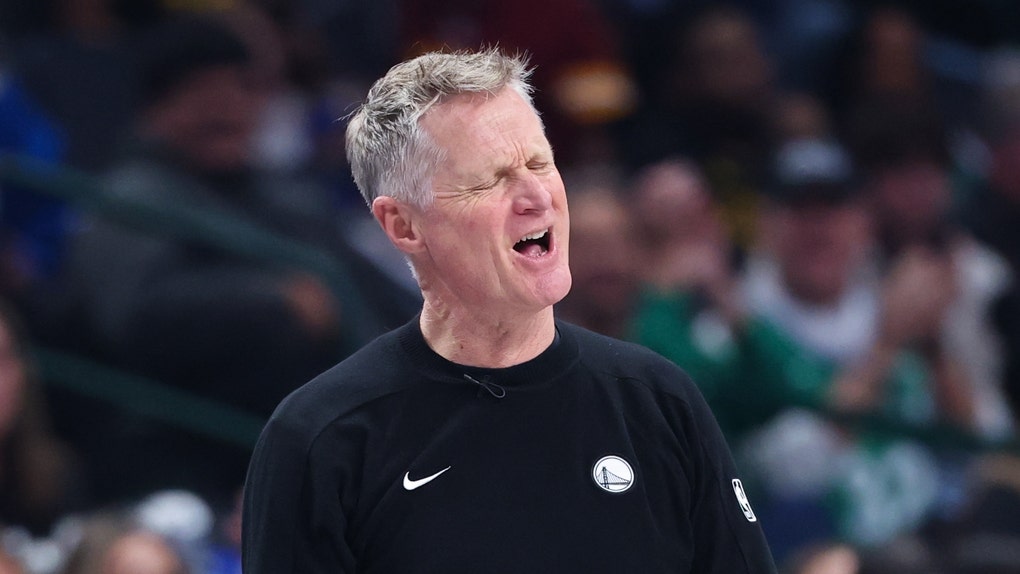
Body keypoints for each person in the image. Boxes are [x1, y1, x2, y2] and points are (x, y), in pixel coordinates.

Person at [242, 48, 777, 573]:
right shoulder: (321, 436)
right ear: (404, 225)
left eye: (539, 163)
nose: (537, 197)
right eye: (489, 180)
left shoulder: (660, 402)